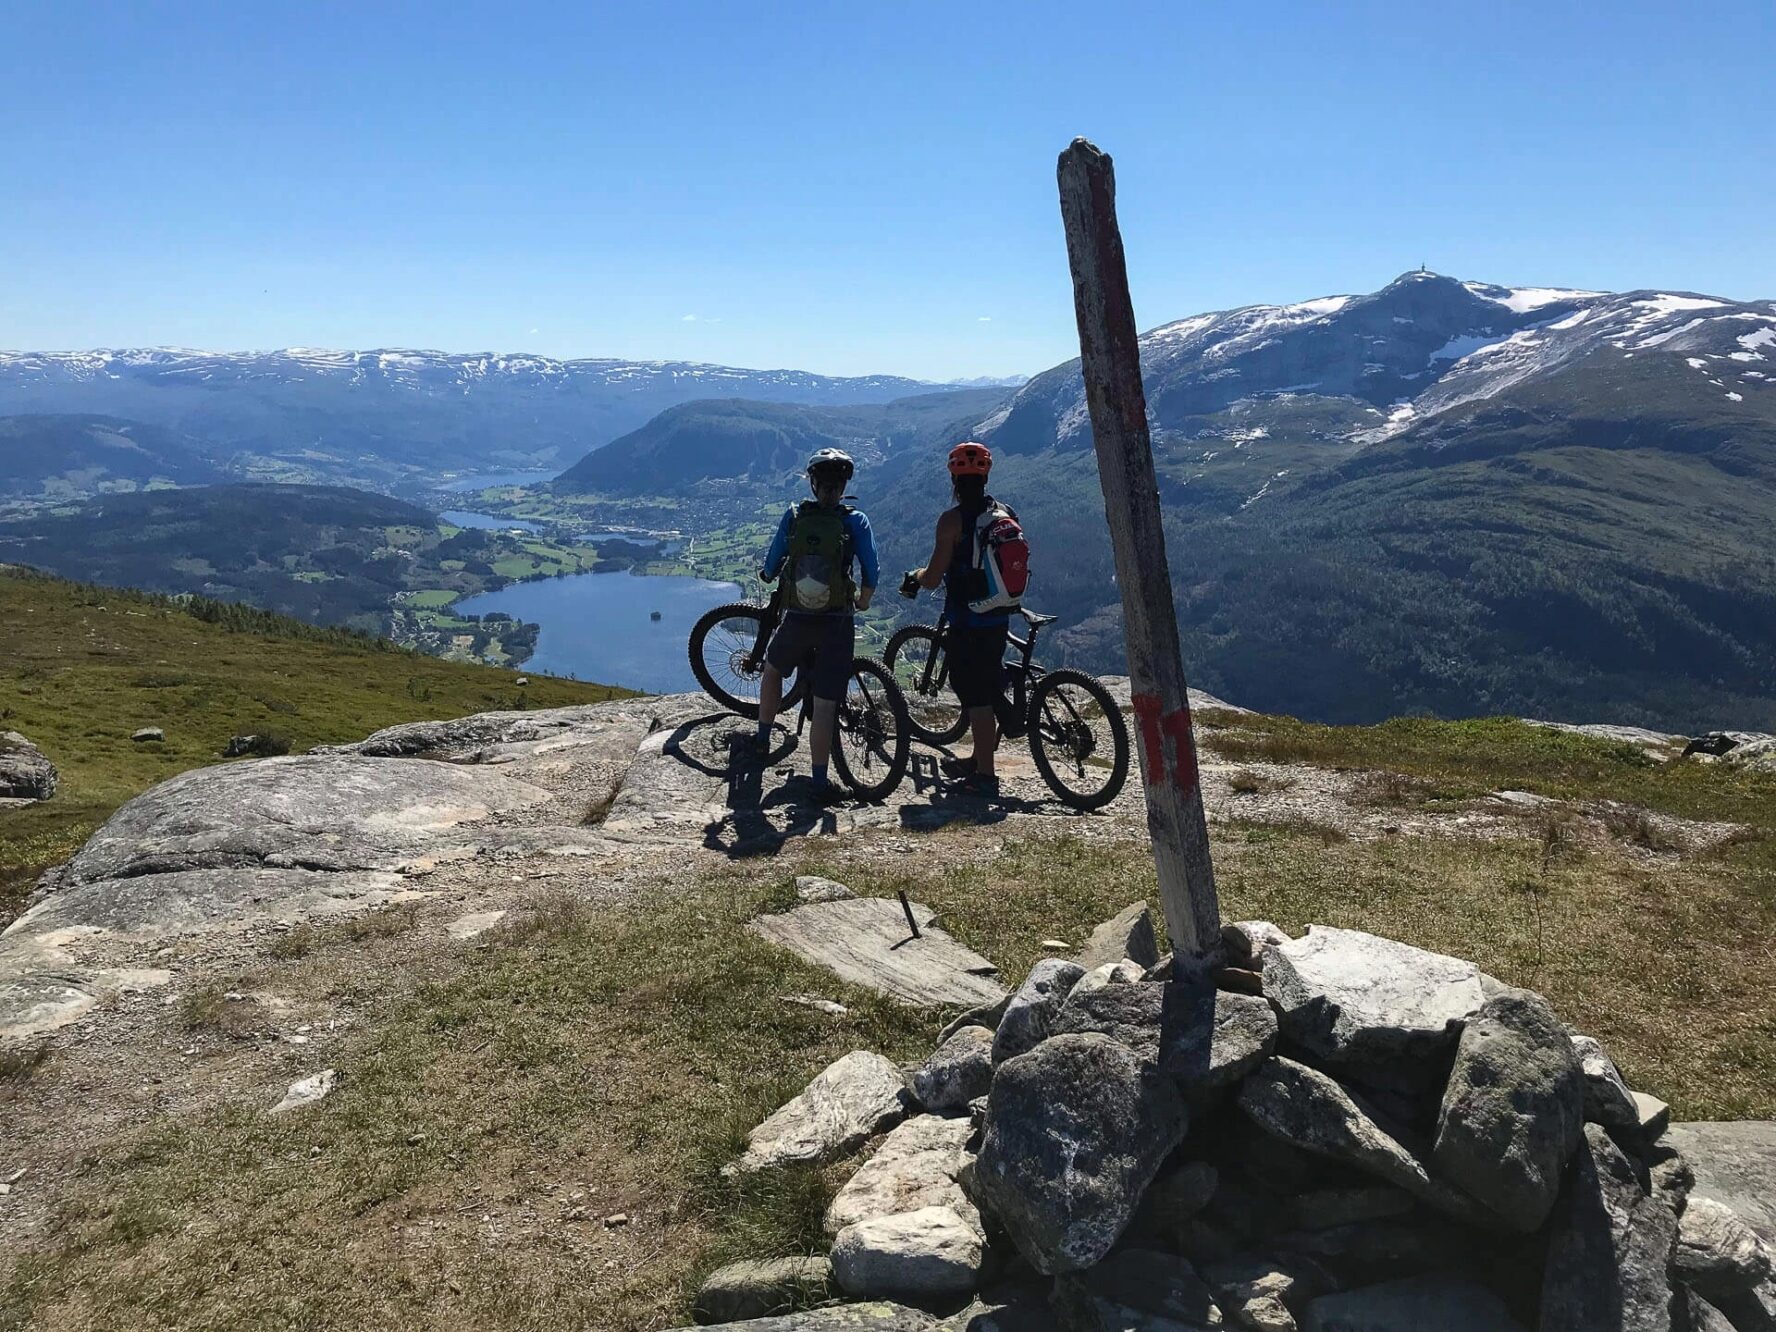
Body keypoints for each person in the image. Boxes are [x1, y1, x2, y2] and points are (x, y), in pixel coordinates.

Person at [749, 448, 878, 800]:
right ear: (843, 485)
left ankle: (762, 739)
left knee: (773, 669)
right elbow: (871, 569)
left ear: (813, 483)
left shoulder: (795, 516)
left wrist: (768, 573)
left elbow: (775, 558)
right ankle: (819, 783)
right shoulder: (856, 521)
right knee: (825, 705)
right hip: (837, 620)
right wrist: (863, 600)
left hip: (798, 617)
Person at [900, 441, 1013, 797]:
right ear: (986, 475)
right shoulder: (1004, 511)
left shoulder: (951, 521)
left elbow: (933, 577)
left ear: (953, 478)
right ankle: (979, 759)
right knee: (987, 682)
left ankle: (986, 776)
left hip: (969, 619)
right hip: (999, 612)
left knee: (975, 694)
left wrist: (915, 576)